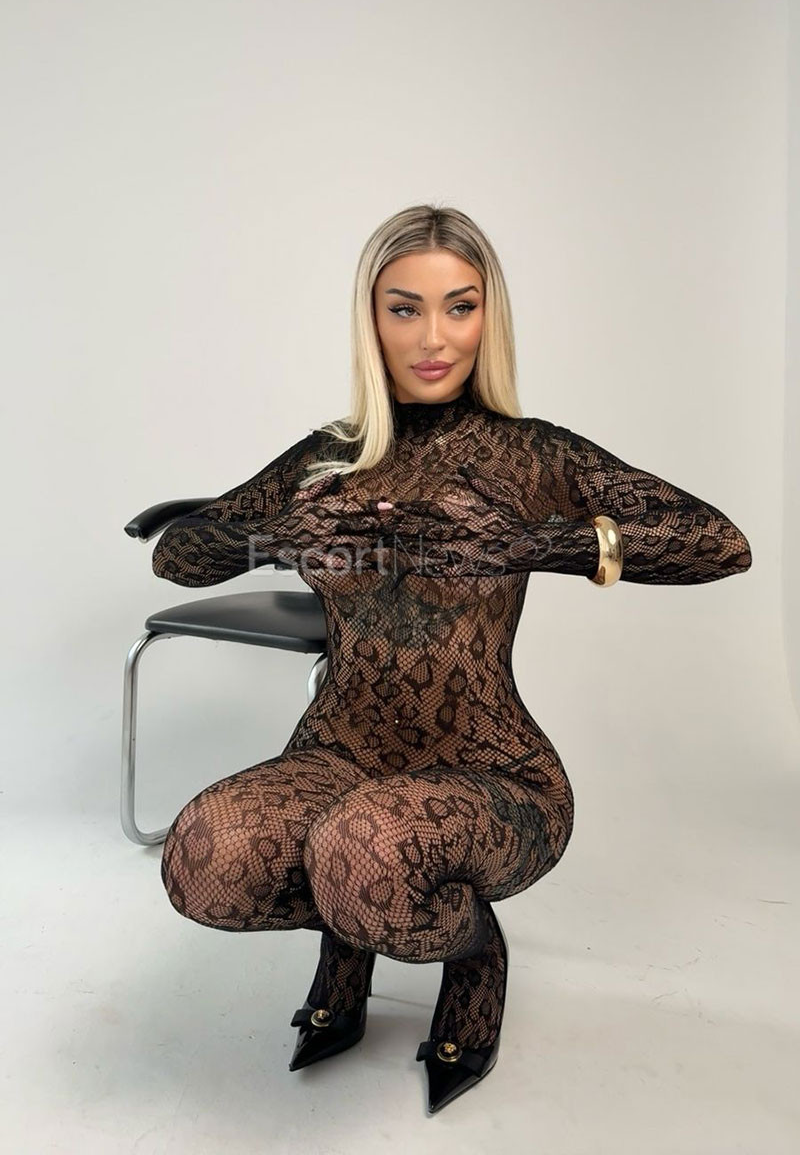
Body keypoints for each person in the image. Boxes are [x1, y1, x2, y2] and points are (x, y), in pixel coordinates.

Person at [152, 203, 753, 1114]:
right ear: (372, 318)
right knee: (204, 858)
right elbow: (176, 553)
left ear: (487, 316)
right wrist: (272, 538)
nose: (434, 337)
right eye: (405, 308)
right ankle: (351, 927)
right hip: (339, 755)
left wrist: (538, 543)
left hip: (491, 768)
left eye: (460, 307)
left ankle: (474, 956)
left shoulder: (532, 454)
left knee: (363, 850)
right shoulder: (329, 458)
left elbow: (718, 543)